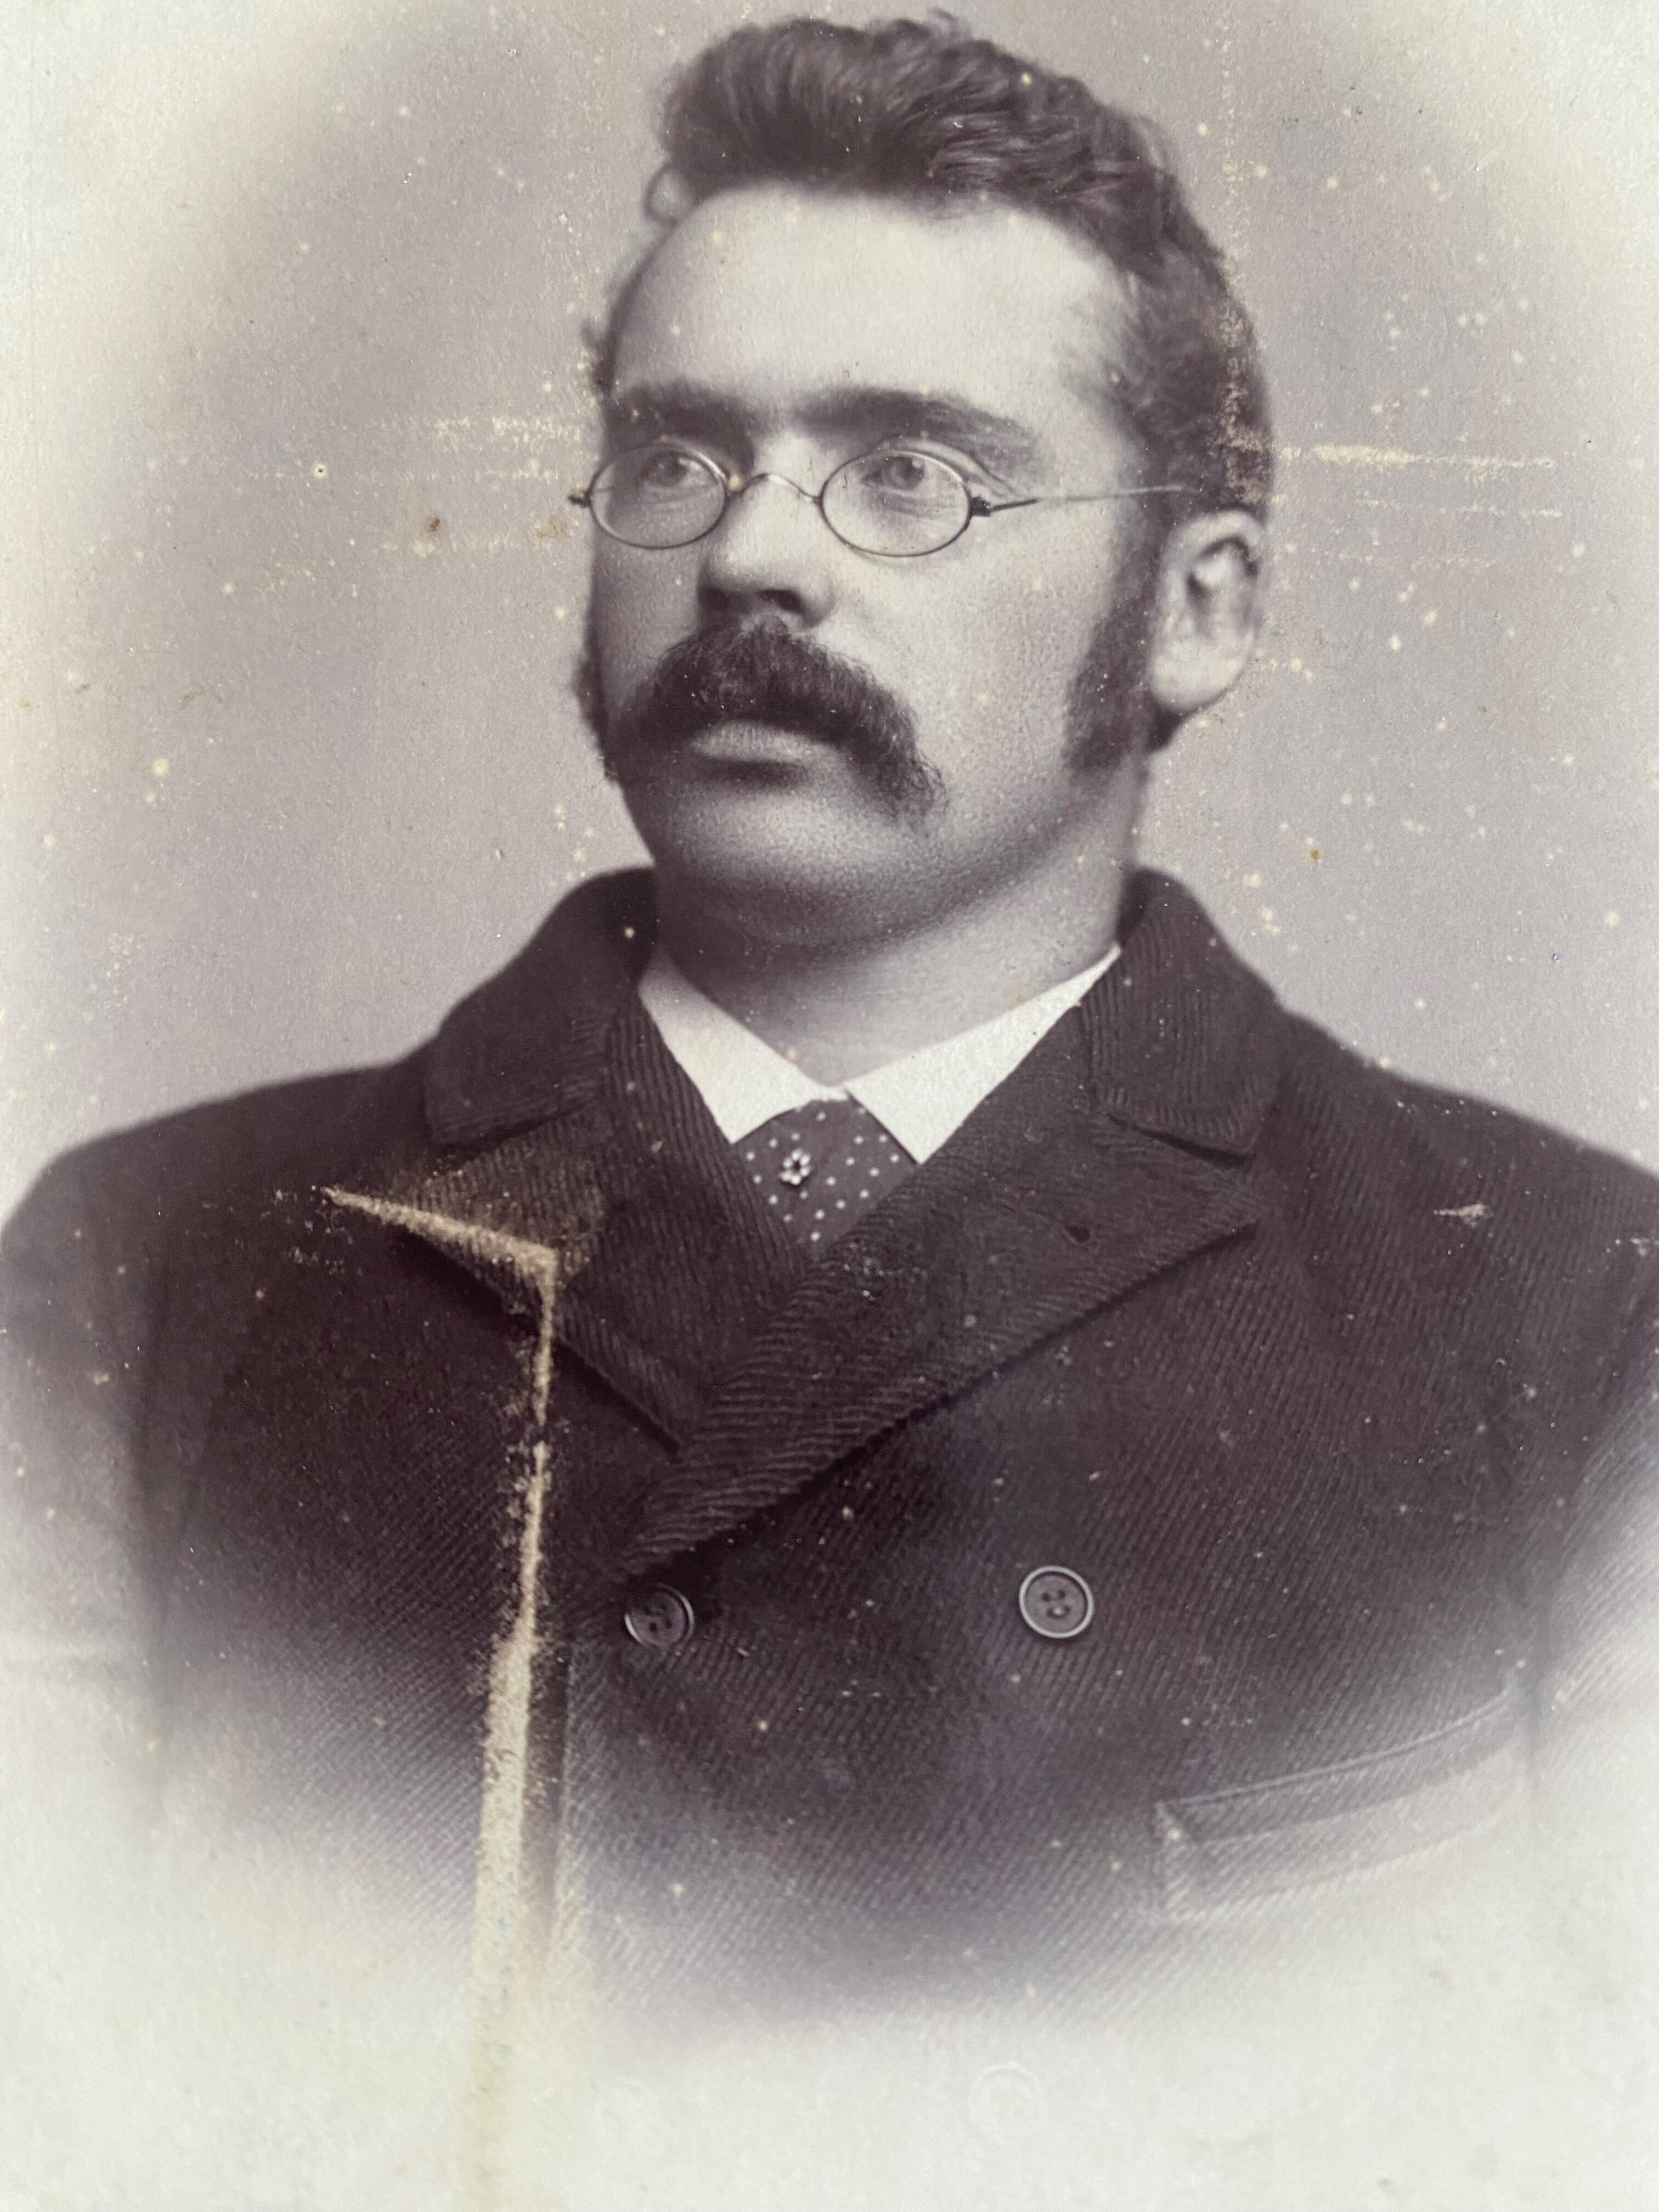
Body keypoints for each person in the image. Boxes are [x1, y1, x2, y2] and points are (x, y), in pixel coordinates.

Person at [4, 15, 1657, 2207]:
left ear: (1197, 611)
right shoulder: (143, 1271)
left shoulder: (1572, 1313)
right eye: (679, 459)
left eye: (911, 476)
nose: (751, 560)